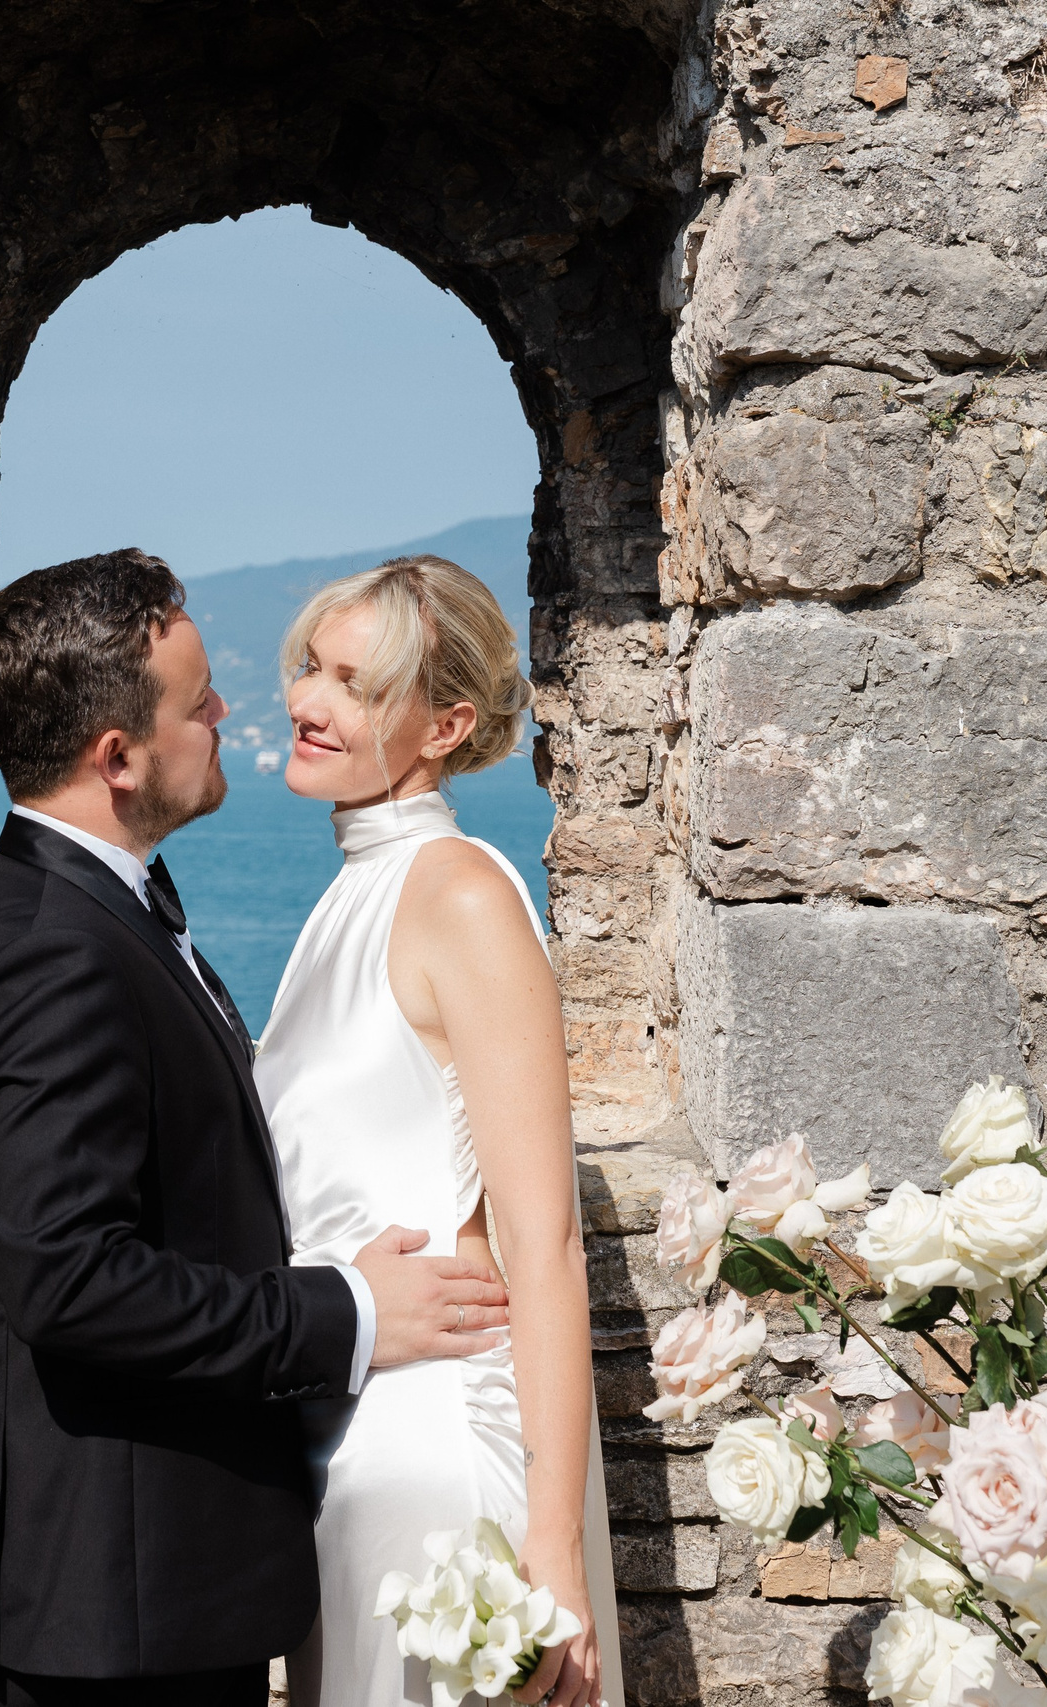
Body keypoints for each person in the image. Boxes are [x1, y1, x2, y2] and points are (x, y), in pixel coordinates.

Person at [0, 548, 514, 1707]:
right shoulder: (57, 953)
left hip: (142, 1595)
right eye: (199, 705)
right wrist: (342, 1310)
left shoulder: (98, 910)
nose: (232, 713)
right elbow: (73, 1284)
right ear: (118, 756)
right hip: (119, 1609)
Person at [261, 555, 624, 1707]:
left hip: (437, 1463)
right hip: (349, 1442)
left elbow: (544, 1242)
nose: (308, 703)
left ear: (445, 724)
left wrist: (551, 1552)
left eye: (355, 686)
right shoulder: (349, 896)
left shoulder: (458, 892)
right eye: (311, 669)